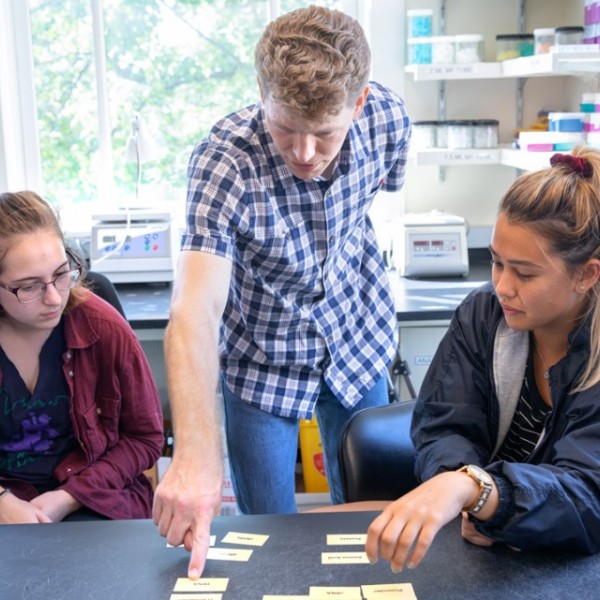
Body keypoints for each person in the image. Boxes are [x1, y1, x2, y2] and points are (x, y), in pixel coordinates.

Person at [152, 5, 411, 578]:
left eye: (324, 134)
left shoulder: (388, 119)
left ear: (360, 103)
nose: (303, 154)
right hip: (261, 360)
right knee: (266, 534)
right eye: (284, 129)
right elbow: (196, 307)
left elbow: (376, 203)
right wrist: (196, 456)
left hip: (356, 338)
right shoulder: (225, 160)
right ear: (260, 95)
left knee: (375, 521)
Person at [365, 145, 600, 571]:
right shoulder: (483, 314)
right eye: (496, 263)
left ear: (586, 273)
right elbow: (445, 424)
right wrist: (464, 491)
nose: (503, 286)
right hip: (487, 553)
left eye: (525, 273)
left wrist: (483, 493)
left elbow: (587, 497)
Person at [0, 190, 164, 523]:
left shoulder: (102, 326)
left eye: (62, 274)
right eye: (28, 286)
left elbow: (145, 438)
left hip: (92, 498)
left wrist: (67, 498)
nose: (53, 298)